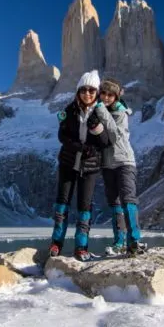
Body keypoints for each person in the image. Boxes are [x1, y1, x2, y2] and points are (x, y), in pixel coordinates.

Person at [49, 70, 110, 261]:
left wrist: (96, 128)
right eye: (83, 90)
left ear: (97, 92)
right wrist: (76, 146)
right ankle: (56, 244)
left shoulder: (102, 113)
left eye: (92, 90)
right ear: (78, 91)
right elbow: (62, 135)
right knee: (62, 203)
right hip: (68, 162)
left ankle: (81, 246)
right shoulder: (69, 110)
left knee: (85, 206)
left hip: (90, 166)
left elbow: (106, 140)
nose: (87, 94)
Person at [94, 78, 145, 256]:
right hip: (107, 165)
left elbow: (115, 135)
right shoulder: (99, 112)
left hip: (124, 162)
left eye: (110, 95)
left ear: (116, 97)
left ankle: (135, 240)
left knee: (128, 199)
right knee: (114, 203)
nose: (106, 97)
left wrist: (100, 109)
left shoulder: (121, 113)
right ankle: (119, 242)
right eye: (104, 93)